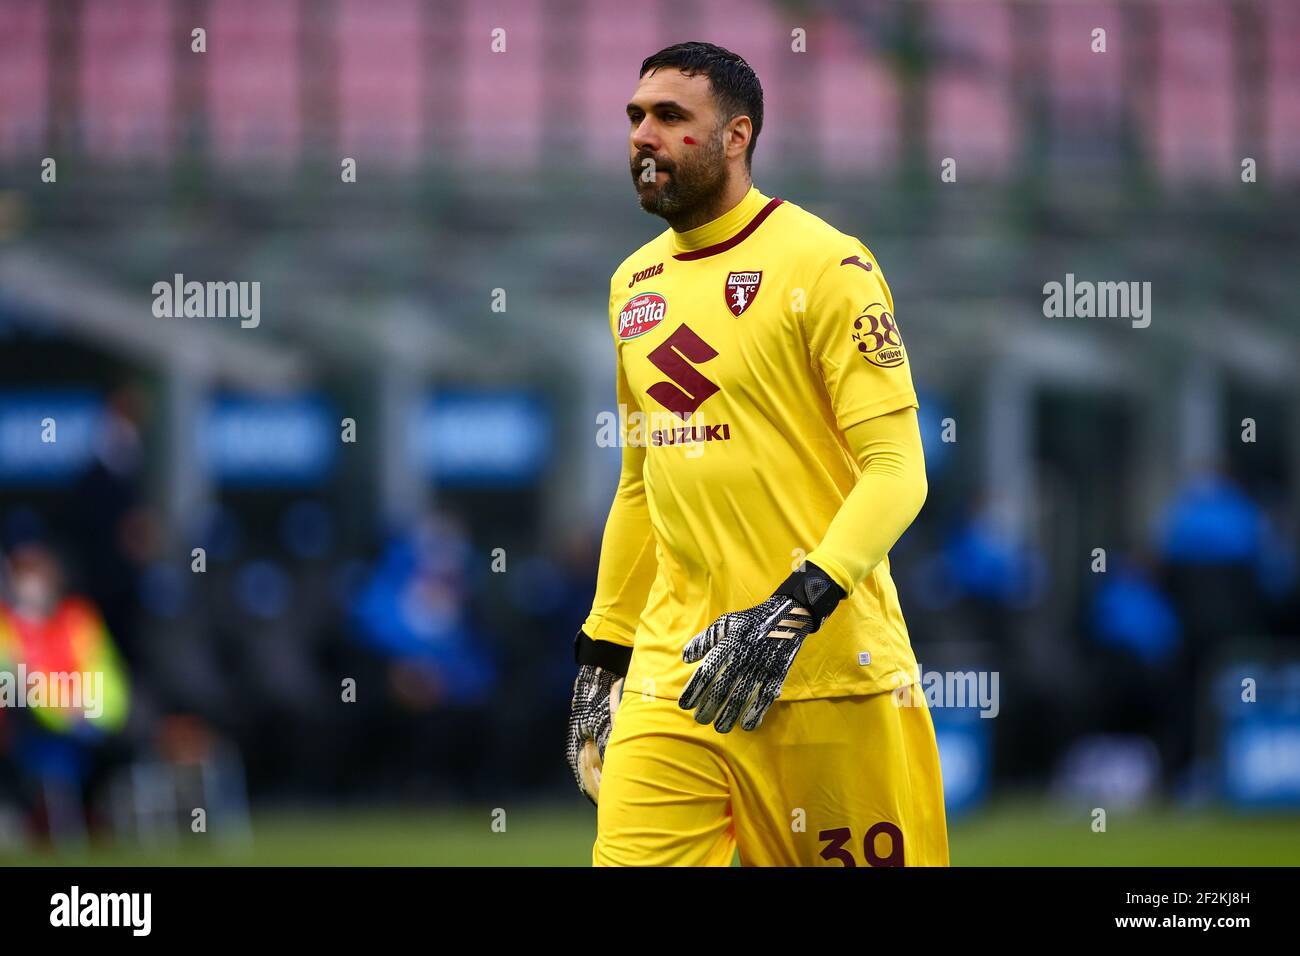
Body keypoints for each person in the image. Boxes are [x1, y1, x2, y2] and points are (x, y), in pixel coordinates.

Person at [565, 42, 947, 866]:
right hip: (678, 674)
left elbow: (898, 468)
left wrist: (795, 607)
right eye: (636, 116)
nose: (644, 136)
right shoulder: (632, 285)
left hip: (828, 670)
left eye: (672, 117)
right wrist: (602, 657)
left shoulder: (827, 263)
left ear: (737, 137)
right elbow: (640, 485)